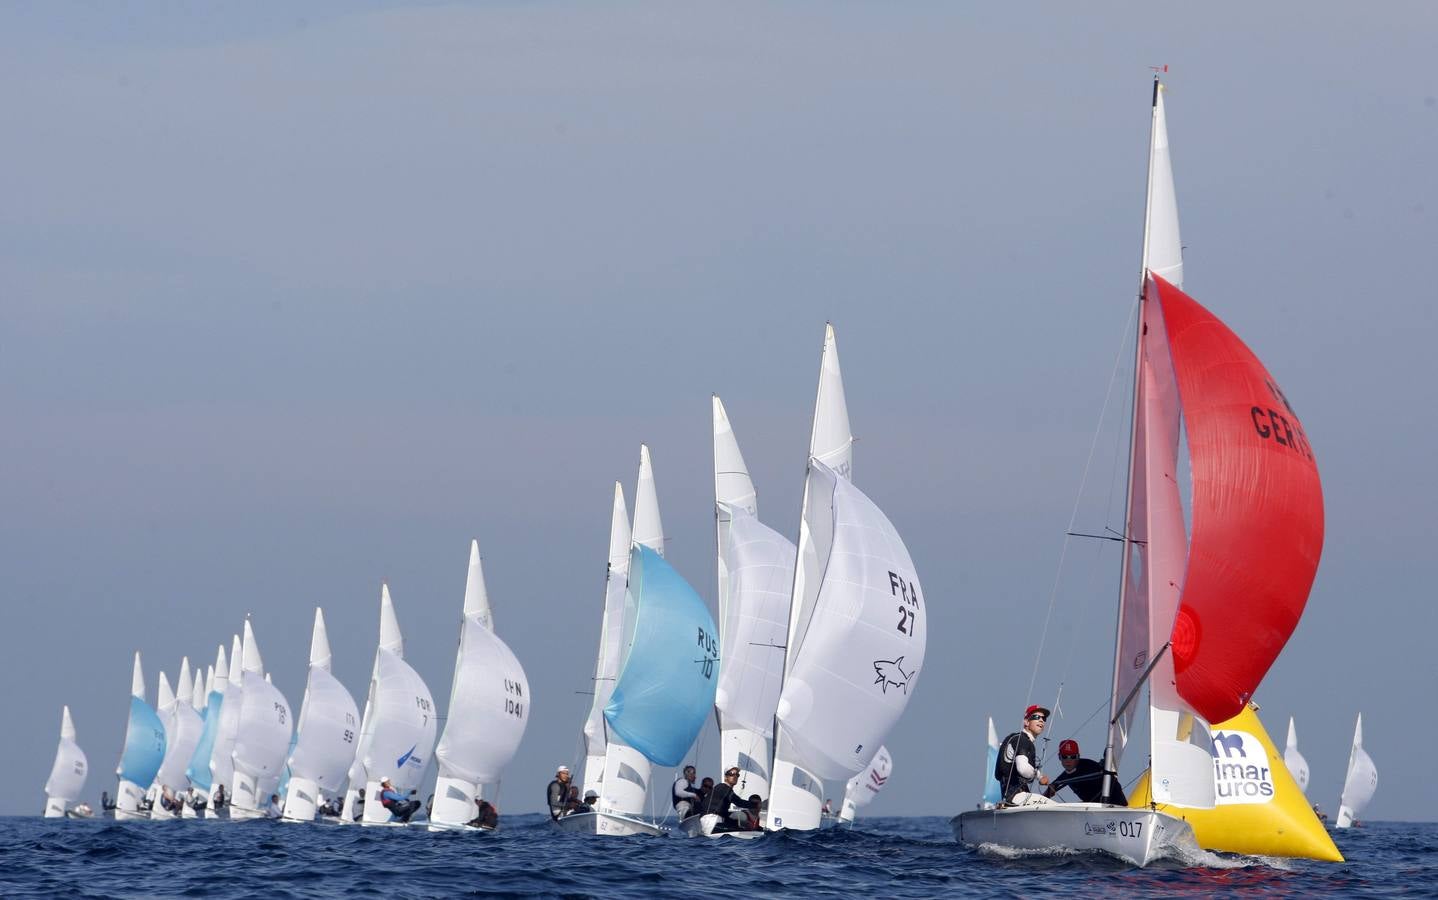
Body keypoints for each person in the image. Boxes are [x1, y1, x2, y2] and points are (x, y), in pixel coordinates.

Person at [995, 704, 1052, 804]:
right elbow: (1023, 769)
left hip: (1010, 797)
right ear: (1026, 722)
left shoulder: (1016, 738)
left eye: (1044, 718)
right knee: (1052, 806)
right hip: (1016, 796)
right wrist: (1039, 776)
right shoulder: (1023, 740)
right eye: (1036, 717)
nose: (1041, 720)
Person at [1042, 739, 1127, 805]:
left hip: (1115, 806)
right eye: (1064, 756)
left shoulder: (1090, 766)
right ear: (1059, 757)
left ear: (1078, 757)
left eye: (1072, 757)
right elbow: (1052, 788)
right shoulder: (1065, 776)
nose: (1068, 760)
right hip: (1094, 810)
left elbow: (1110, 779)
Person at [698, 767, 758, 832]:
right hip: (712, 821)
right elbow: (739, 802)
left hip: (709, 822)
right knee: (743, 831)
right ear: (726, 777)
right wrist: (756, 805)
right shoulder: (724, 787)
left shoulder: (721, 788)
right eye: (731, 774)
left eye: (737, 775)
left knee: (739, 823)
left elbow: (724, 813)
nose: (735, 776)